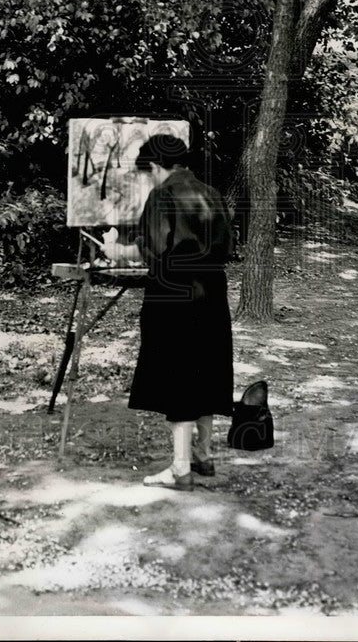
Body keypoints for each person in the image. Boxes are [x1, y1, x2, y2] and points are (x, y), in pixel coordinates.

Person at [128, 135, 234, 490]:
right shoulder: (214, 195)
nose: (149, 180)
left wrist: (120, 248)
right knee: (206, 372)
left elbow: (155, 252)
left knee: (178, 377)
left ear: (157, 167)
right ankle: (203, 456)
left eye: (149, 173)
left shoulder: (162, 195)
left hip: (173, 294)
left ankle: (179, 469)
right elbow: (227, 249)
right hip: (213, 293)